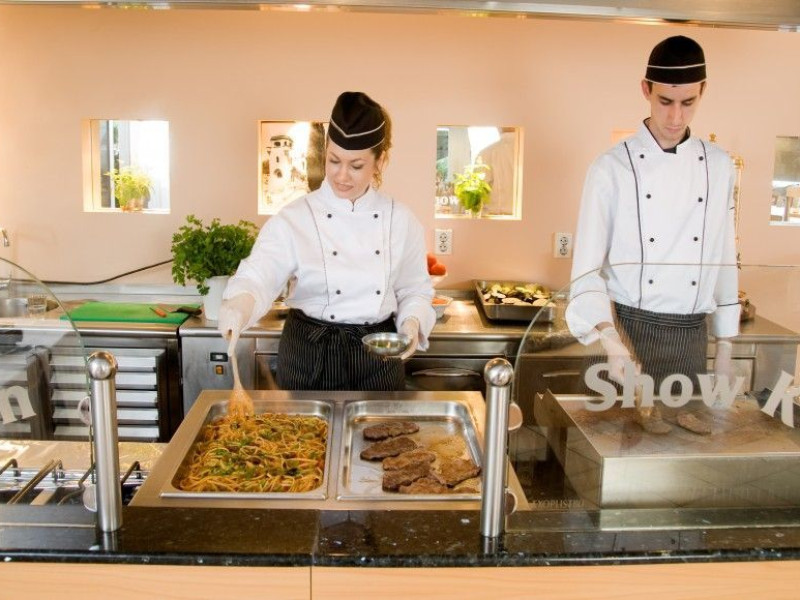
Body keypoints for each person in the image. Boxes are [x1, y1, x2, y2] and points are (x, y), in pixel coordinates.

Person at [566, 35, 740, 428]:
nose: (676, 117)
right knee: (607, 446)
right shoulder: (611, 168)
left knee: (680, 454)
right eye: (665, 101)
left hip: (688, 343)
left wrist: (725, 348)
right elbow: (586, 271)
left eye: (688, 102)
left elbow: (724, 256)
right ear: (646, 90)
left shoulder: (719, 166)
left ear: (703, 91)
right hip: (622, 334)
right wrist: (611, 342)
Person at [218, 91, 435, 391]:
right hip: (309, 354)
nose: (341, 175)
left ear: (380, 162)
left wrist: (411, 322)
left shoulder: (401, 220)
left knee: (380, 424)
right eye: (334, 161)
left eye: (356, 166)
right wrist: (239, 306)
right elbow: (259, 275)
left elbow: (415, 290)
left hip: (378, 359)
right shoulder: (294, 218)